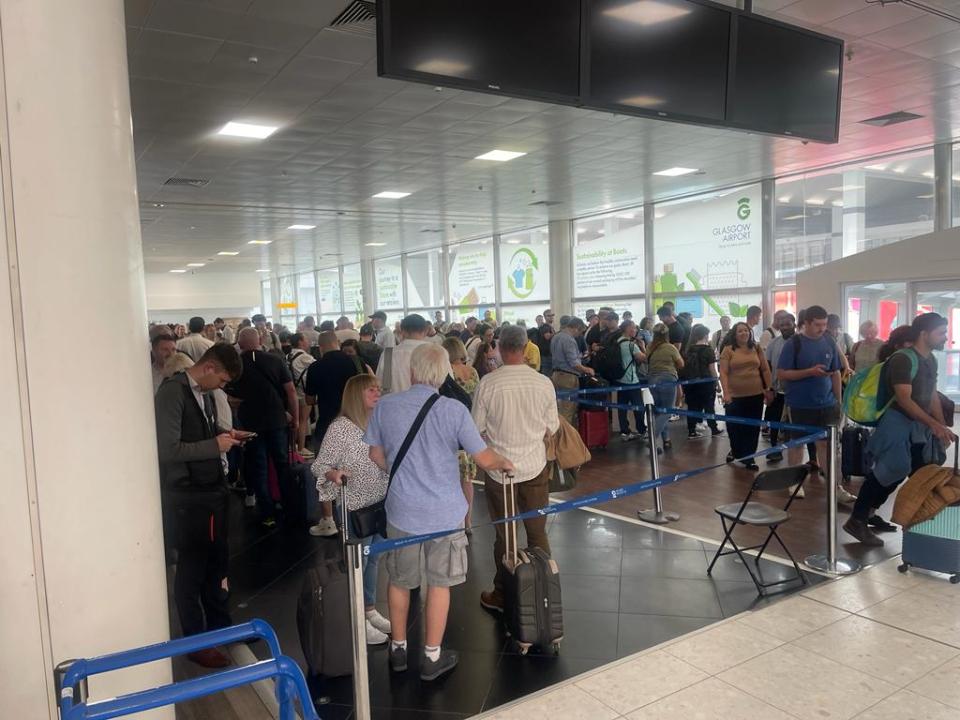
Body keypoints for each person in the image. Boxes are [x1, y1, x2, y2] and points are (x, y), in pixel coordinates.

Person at [365, 343, 514, 681]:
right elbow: (484, 458)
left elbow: (375, 455)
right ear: (445, 372)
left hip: (402, 510)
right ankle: (432, 656)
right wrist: (503, 462)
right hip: (445, 514)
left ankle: (399, 649)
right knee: (439, 584)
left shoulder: (386, 406)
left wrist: (399, 473)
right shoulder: (453, 410)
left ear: (413, 371)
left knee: (400, 581)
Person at [155, 344, 245, 668]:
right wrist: (214, 445)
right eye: (221, 380)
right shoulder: (172, 393)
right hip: (189, 497)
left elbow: (198, 434)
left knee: (216, 564)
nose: (221, 387)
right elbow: (168, 449)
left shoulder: (201, 393)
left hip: (210, 491)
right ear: (208, 367)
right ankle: (196, 640)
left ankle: (221, 629)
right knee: (193, 570)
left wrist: (226, 434)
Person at [845, 313, 956, 546]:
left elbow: (931, 394)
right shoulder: (903, 359)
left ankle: (916, 528)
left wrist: (940, 425)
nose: (945, 338)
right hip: (897, 423)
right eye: (941, 333)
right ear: (924, 334)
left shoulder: (930, 360)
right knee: (892, 469)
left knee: (921, 473)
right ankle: (858, 518)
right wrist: (933, 424)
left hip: (918, 426)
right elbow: (904, 399)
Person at [473, 326, 560, 613]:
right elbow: (553, 426)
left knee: (504, 537)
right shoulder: (542, 382)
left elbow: (476, 429)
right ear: (525, 347)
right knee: (537, 533)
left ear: (499, 346)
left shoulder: (488, 383)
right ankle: (544, 591)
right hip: (535, 467)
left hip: (500, 471)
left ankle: (502, 593)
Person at [312, 374, 392, 644]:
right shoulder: (340, 428)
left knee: (373, 560)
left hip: (379, 503)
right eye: (372, 390)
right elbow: (319, 464)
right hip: (354, 506)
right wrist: (333, 474)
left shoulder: (378, 421)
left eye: (379, 389)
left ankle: (368, 609)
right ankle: (356, 615)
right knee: (356, 563)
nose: (378, 393)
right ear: (357, 394)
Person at [776, 305, 854, 502]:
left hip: (826, 404)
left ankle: (835, 488)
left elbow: (836, 372)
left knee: (826, 446)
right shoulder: (793, 344)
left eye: (825, 324)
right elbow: (782, 374)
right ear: (806, 323)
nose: (822, 328)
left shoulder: (828, 340)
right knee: (797, 445)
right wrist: (809, 372)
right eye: (818, 325)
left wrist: (839, 401)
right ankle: (794, 483)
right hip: (800, 404)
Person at [226, 327, 299, 527]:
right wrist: (296, 419)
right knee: (282, 464)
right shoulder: (275, 360)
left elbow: (231, 397)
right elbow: (291, 391)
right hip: (277, 419)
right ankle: (289, 507)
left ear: (240, 344)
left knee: (259, 466)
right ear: (259, 341)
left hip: (250, 422)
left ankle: (267, 513)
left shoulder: (236, 365)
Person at [719, 321, 772, 470]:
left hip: (755, 395)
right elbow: (723, 372)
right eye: (740, 331)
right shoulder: (728, 350)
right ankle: (736, 451)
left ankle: (749, 457)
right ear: (734, 335)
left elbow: (765, 369)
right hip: (735, 396)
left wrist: (768, 388)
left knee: (753, 428)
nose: (744, 333)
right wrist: (726, 392)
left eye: (746, 330)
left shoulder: (756, 348)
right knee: (734, 427)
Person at [444, 337, 481, 531]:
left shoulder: (446, 373)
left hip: (452, 434)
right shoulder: (473, 372)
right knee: (467, 481)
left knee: (451, 481)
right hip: (470, 430)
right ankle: (468, 522)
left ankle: (455, 522)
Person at [764, 312, 797, 463]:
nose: (784, 328)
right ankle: (774, 450)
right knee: (774, 420)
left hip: (797, 391)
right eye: (782, 325)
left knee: (798, 424)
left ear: (794, 325)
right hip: (777, 390)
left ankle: (808, 457)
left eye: (787, 325)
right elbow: (767, 367)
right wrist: (768, 388)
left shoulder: (801, 343)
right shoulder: (773, 343)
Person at [646, 323, 684, 452]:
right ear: (667, 334)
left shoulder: (649, 347)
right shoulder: (670, 347)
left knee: (659, 412)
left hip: (652, 380)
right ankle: (650, 437)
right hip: (667, 379)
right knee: (667, 411)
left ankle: (665, 440)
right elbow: (681, 363)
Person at [550, 316, 594, 425]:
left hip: (556, 376)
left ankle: (560, 438)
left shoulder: (556, 337)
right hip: (568, 378)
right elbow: (573, 363)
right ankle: (566, 440)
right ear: (576, 328)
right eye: (580, 332)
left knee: (559, 410)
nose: (579, 335)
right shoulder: (569, 340)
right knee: (568, 411)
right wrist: (587, 369)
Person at [683, 324, 722, 439]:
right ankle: (713, 429)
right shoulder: (708, 350)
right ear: (705, 335)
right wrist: (718, 384)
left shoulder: (688, 350)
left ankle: (691, 431)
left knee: (692, 407)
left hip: (691, 383)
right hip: (706, 383)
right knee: (709, 406)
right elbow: (712, 369)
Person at [377, 314, 431, 394]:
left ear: (402, 332)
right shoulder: (437, 353)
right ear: (425, 331)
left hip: (394, 404)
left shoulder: (388, 354)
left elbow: (380, 384)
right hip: (430, 404)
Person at [613, 320, 646, 441]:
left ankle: (625, 432)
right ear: (627, 329)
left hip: (619, 379)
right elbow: (644, 358)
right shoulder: (632, 345)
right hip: (631, 380)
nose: (636, 330)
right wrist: (643, 346)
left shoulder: (617, 342)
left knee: (622, 408)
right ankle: (641, 430)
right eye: (634, 328)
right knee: (638, 407)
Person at [286, 333, 315, 459]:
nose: (308, 342)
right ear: (300, 341)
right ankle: (301, 447)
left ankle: (293, 447)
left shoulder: (288, 355)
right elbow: (317, 367)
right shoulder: (305, 357)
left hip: (292, 393)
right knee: (303, 421)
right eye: (306, 339)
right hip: (303, 393)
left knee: (294, 422)